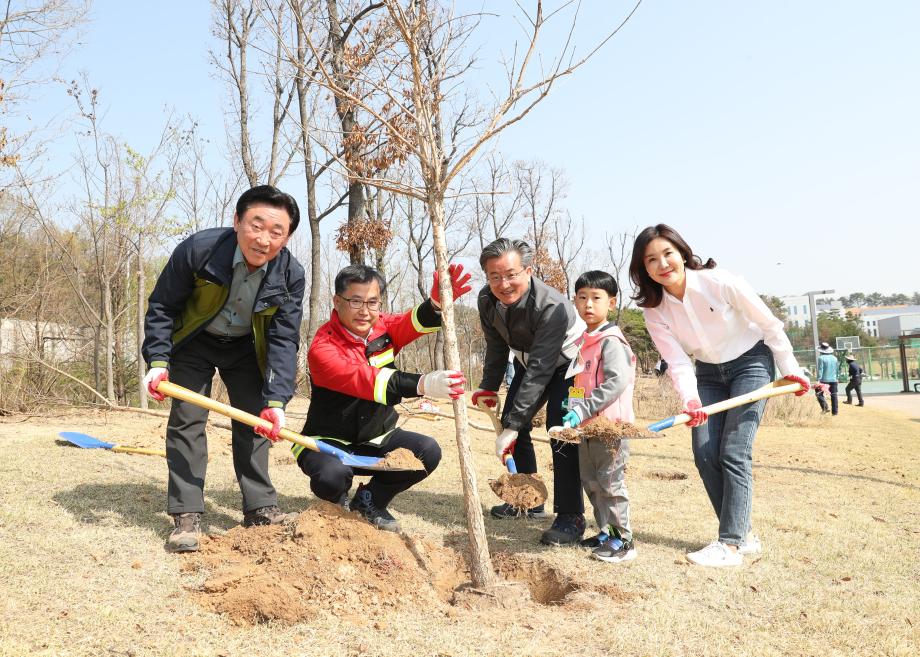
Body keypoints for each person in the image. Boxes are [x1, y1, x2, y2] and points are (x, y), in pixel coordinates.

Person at [629, 224, 809, 567]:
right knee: (705, 452)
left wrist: (791, 369)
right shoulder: (655, 310)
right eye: (651, 260)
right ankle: (745, 535)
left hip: (751, 363)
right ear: (644, 270)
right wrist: (691, 400)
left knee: (734, 450)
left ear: (682, 252)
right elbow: (677, 360)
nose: (662, 263)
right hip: (708, 372)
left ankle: (729, 545)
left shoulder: (720, 281)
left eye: (668, 253)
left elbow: (770, 325)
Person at [142, 185, 305, 553]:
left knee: (257, 421)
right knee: (187, 418)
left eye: (276, 231)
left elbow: (283, 338)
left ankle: (260, 507)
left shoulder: (291, 275)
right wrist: (157, 361)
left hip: (247, 347)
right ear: (236, 222)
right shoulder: (200, 250)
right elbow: (163, 306)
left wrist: (277, 399)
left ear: (287, 236)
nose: (263, 239)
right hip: (195, 341)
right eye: (255, 225)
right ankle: (185, 514)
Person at [295, 263, 471, 533]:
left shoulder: (382, 329)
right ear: (337, 301)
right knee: (332, 477)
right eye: (355, 301)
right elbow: (371, 382)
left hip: (377, 437)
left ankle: (370, 500)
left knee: (427, 452)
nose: (365, 311)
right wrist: (424, 383)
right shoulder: (323, 347)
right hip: (329, 443)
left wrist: (436, 303)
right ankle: (335, 507)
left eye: (372, 302)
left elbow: (411, 323)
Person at [473, 238, 587, 546]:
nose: (503, 283)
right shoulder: (486, 300)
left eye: (511, 274)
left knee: (560, 431)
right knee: (514, 420)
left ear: (528, 271)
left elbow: (542, 368)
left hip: (570, 366)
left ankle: (570, 516)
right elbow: (496, 347)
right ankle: (526, 498)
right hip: (530, 361)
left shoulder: (551, 306)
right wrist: (487, 387)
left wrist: (511, 427)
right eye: (494, 276)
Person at [560, 270, 638, 564]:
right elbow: (582, 381)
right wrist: (573, 407)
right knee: (591, 482)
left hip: (610, 429)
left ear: (612, 303)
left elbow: (615, 382)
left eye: (596, 298)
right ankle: (606, 533)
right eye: (582, 298)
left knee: (610, 483)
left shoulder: (611, 340)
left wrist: (583, 407)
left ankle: (623, 541)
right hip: (586, 428)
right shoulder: (584, 341)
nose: (588, 305)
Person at [816, 342, 840, 415]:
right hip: (834, 380)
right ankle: (835, 412)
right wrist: (837, 377)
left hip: (823, 380)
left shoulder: (821, 358)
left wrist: (818, 379)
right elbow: (837, 369)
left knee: (818, 393)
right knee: (834, 395)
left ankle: (825, 408)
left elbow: (820, 369)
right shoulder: (835, 358)